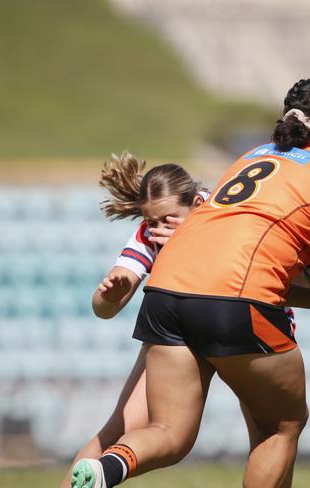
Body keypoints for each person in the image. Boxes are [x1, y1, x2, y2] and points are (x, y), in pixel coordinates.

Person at [70, 78, 310, 488]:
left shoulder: (249, 157)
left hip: (166, 291)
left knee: (171, 433)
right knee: (284, 425)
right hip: (238, 303)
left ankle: (109, 467)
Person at [59, 153, 208, 487]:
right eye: (150, 221)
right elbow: (103, 307)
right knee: (120, 430)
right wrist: (112, 293)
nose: (157, 230)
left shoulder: (226, 212)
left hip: (224, 322)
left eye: (168, 219)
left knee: (268, 426)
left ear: (198, 203)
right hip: (183, 332)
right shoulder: (149, 234)